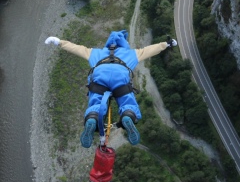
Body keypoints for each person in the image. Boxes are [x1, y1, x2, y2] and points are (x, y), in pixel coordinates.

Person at [45, 30, 177, 148]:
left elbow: (77, 48)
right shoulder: (131, 54)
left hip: (99, 77)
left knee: (95, 101)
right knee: (127, 101)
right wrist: (167, 44)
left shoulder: (97, 53)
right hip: (120, 78)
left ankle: (93, 117)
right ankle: (128, 116)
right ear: (124, 43)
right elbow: (150, 50)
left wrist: (58, 42)